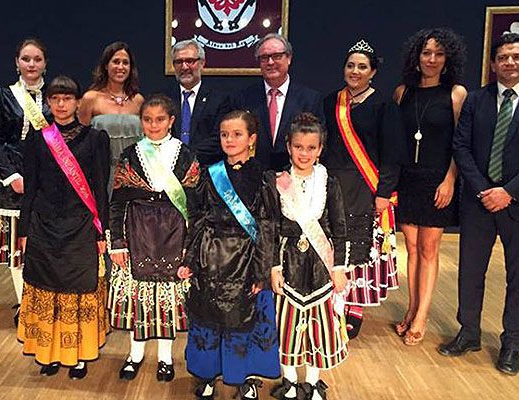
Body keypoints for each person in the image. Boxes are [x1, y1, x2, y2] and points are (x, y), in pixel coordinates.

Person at [440, 33, 519, 376]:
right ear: (493, 63)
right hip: (479, 202)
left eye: (516, 57)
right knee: (470, 271)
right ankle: (469, 332)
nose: (509, 62)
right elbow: (461, 147)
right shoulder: (477, 100)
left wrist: (508, 191)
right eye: (503, 57)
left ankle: (512, 344)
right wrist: (484, 190)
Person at [179, 111, 280, 399]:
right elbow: (197, 218)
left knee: (243, 323)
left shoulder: (263, 178)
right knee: (209, 321)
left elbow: (266, 226)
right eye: (225, 134)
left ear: (252, 139)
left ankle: (244, 377)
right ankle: (209, 374)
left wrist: (261, 271)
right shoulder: (211, 175)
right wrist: (190, 260)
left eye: (237, 134)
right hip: (211, 260)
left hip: (247, 263)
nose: (230, 140)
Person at [16, 75, 110, 380]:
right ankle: (50, 353)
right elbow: (30, 186)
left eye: (67, 98)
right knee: (48, 288)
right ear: (47, 102)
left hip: (81, 227)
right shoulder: (37, 138)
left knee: (78, 291)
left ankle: (80, 355)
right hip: (43, 225)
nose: (60, 104)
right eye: (55, 98)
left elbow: (98, 189)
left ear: (77, 102)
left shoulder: (96, 139)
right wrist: (23, 230)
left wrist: (101, 232)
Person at [108, 94, 198, 382]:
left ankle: (165, 358)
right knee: (140, 300)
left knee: (167, 301)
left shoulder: (187, 155)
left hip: (174, 235)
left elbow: (195, 205)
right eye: (147, 119)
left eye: (160, 119)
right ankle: (134, 355)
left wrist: (190, 247)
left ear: (171, 121)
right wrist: (118, 244)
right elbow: (118, 202)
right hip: (138, 233)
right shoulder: (131, 154)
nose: (153, 125)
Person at [321, 39, 406, 338]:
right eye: (350, 65)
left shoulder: (384, 106)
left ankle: (354, 306)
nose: (355, 71)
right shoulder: (331, 101)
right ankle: (332, 300)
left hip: (367, 187)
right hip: (333, 184)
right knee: (335, 242)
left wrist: (384, 192)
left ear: (373, 72)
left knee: (360, 245)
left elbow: (393, 153)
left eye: (362, 67)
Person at [392, 28, 468, 345]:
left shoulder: (456, 94)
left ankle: (422, 315)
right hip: (409, 180)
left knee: (428, 249)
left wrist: (450, 180)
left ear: (447, 58)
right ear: (417, 57)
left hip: (439, 180)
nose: (432, 59)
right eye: (426, 53)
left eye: (438, 53)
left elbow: (461, 144)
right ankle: (411, 309)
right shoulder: (402, 93)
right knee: (410, 249)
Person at [270, 112, 349, 400]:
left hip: (320, 267)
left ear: (320, 149)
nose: (304, 153)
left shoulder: (329, 181)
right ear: (289, 146)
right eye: (299, 147)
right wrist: (274, 267)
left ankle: (313, 381)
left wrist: (338, 268)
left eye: (311, 148)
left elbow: (339, 227)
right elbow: (269, 226)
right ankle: (289, 381)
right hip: (288, 263)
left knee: (318, 328)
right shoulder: (276, 181)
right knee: (287, 327)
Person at [0, 38, 50, 326]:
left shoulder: (56, 95)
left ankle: (44, 299)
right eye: (26, 59)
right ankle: (25, 304)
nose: (31, 64)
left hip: (47, 178)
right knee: (18, 246)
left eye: (37, 59)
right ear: (17, 62)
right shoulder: (3, 95)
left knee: (45, 244)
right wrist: (12, 175)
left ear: (45, 62)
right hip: (14, 180)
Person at [235, 33, 323, 171]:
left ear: (289, 58)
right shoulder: (244, 98)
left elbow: (318, 141)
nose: (270, 62)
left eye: (277, 56)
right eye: (264, 58)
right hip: (254, 177)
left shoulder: (310, 99)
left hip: (294, 178)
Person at [79, 41, 145, 195]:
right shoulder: (90, 98)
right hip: (100, 176)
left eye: (125, 63)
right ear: (106, 66)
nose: (121, 67)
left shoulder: (138, 100)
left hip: (133, 176)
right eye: (116, 62)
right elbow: (81, 142)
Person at [165, 39, 232, 165]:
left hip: (207, 171)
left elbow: (219, 139)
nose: (184, 67)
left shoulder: (219, 100)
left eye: (190, 61)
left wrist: (184, 157)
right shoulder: (164, 99)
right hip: (168, 172)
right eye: (179, 62)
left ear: (202, 63)